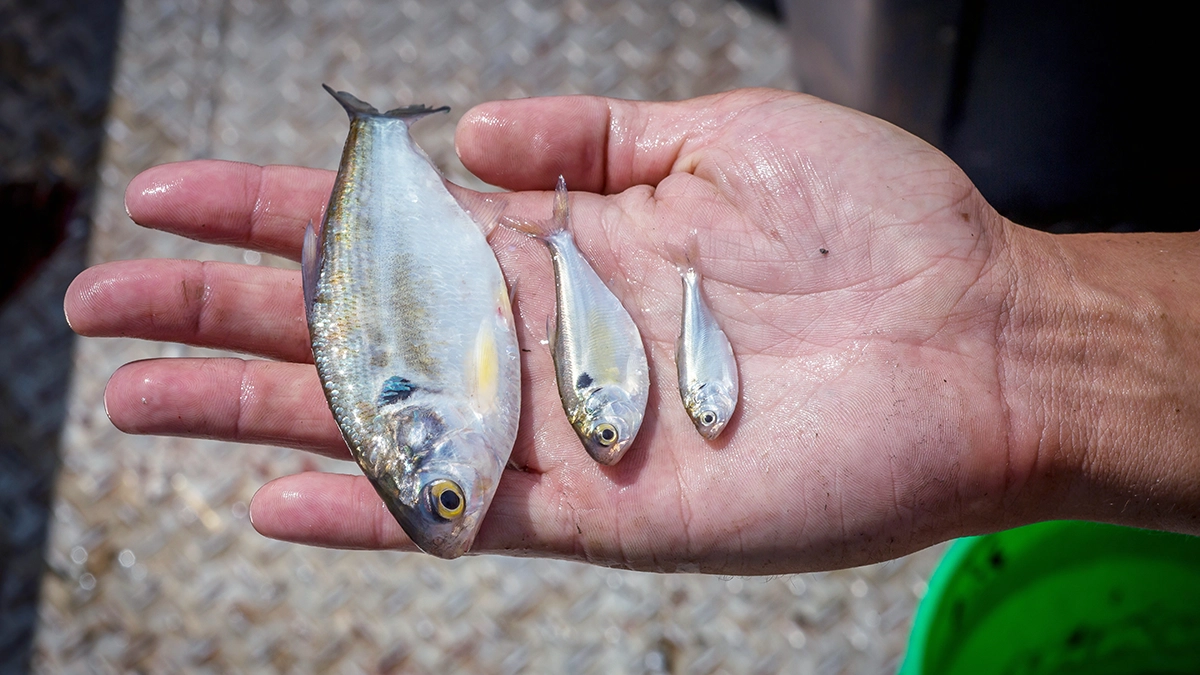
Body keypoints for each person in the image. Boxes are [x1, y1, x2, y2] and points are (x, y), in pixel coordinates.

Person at [63, 89, 1200, 574]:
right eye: (446, 500)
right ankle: (381, 138)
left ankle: (378, 138)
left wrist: (1013, 320)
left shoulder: (428, 404)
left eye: (444, 495)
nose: (462, 498)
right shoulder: (458, 404)